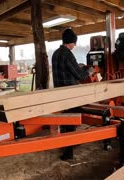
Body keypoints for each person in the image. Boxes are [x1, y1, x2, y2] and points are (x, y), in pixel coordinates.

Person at [52, 28, 93, 160]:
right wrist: (90, 71)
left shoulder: (56, 53)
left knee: (67, 119)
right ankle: (68, 152)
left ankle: (68, 143)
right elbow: (80, 75)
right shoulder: (67, 54)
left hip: (59, 92)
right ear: (70, 42)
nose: (75, 45)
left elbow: (67, 70)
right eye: (74, 43)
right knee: (71, 121)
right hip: (70, 93)